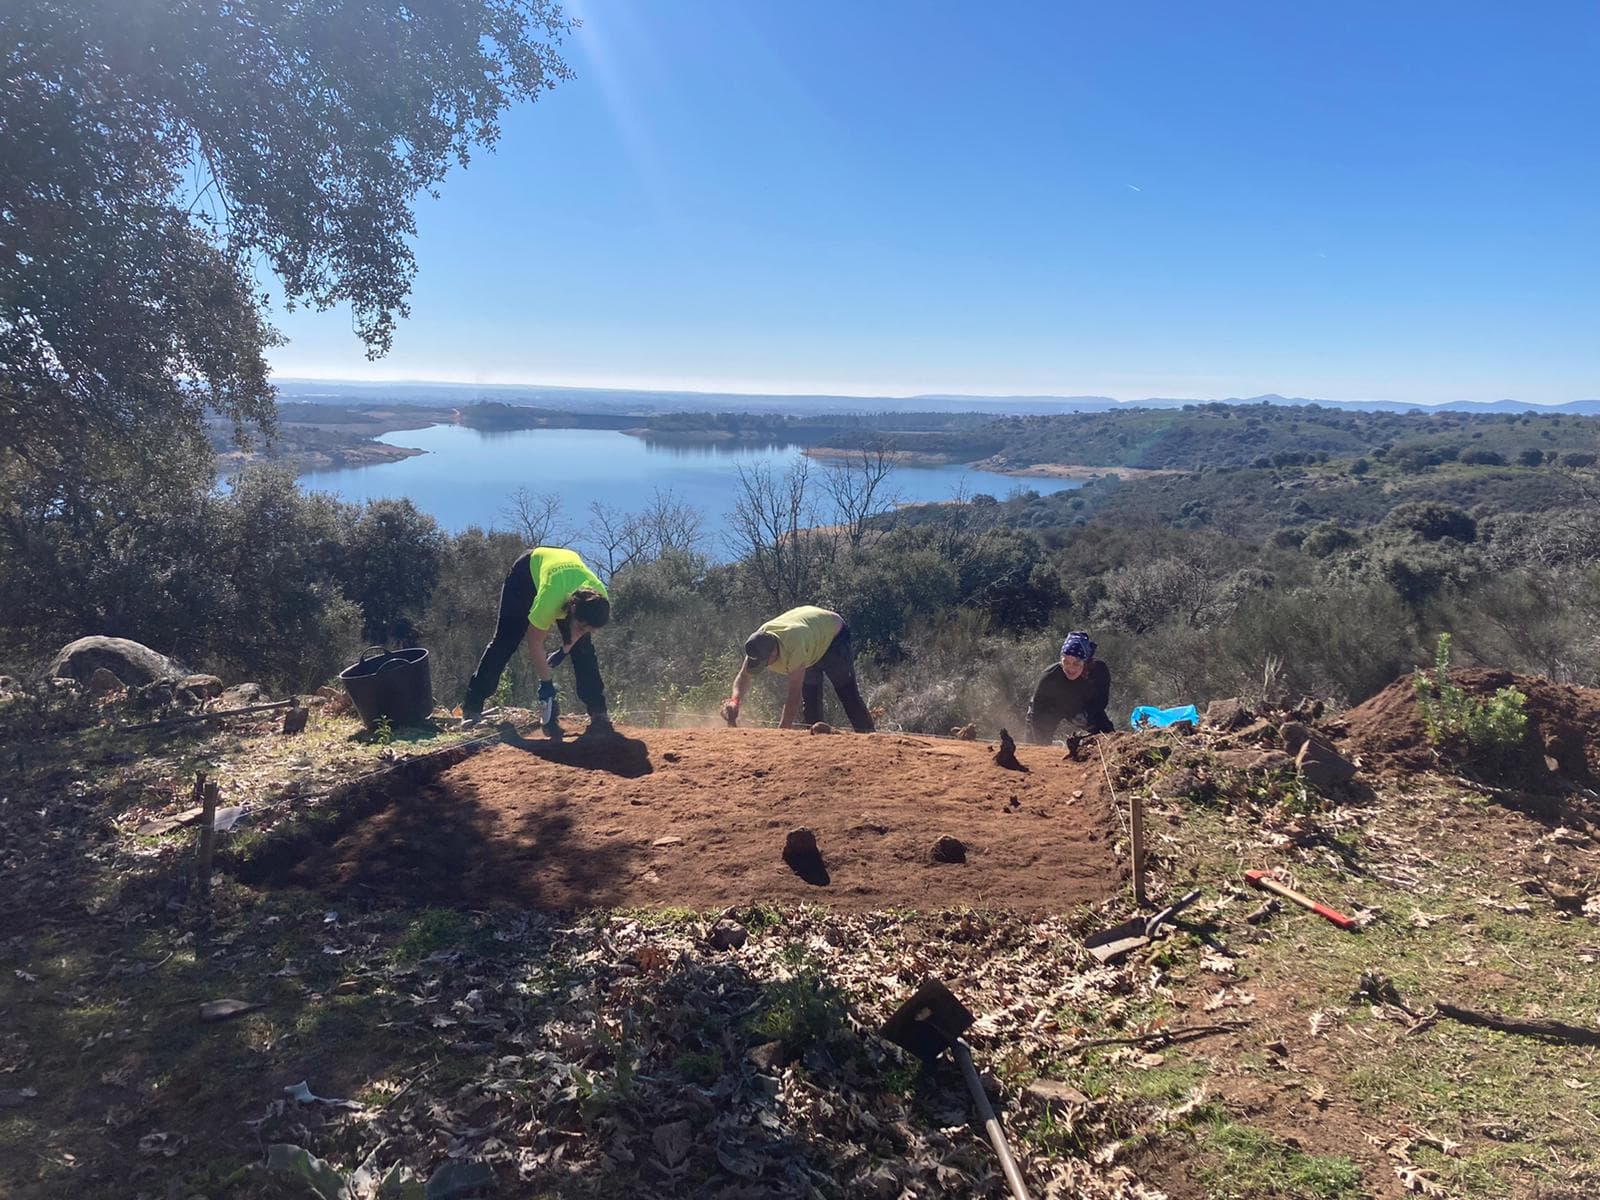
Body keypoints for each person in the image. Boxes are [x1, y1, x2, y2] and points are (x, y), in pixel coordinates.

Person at [461, 546, 612, 735]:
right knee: (506, 639)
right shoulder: (550, 597)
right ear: (572, 611)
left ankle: (598, 710)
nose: (584, 631)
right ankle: (472, 708)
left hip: (565, 569)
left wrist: (564, 650)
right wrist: (546, 685)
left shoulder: (598, 599)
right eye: (582, 627)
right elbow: (535, 643)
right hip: (525, 576)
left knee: (584, 650)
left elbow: (580, 632)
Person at [723, 605, 875, 733]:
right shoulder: (759, 643)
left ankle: (870, 740)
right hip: (809, 639)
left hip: (833, 635)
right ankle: (817, 751)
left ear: (774, 652)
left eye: (765, 662)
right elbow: (743, 676)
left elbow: (793, 697)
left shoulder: (793, 646)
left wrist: (781, 735)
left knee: (847, 693)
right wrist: (734, 701)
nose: (764, 666)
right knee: (811, 704)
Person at [1025, 630, 1113, 743]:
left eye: (1076, 663)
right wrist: (1039, 742)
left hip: (1081, 707)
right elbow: (1037, 712)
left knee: (1108, 736)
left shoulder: (1098, 671)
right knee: (1035, 743)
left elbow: (1102, 700)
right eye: (1066, 662)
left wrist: (1088, 713)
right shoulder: (1049, 677)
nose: (1070, 668)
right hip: (1051, 708)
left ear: (1086, 662)